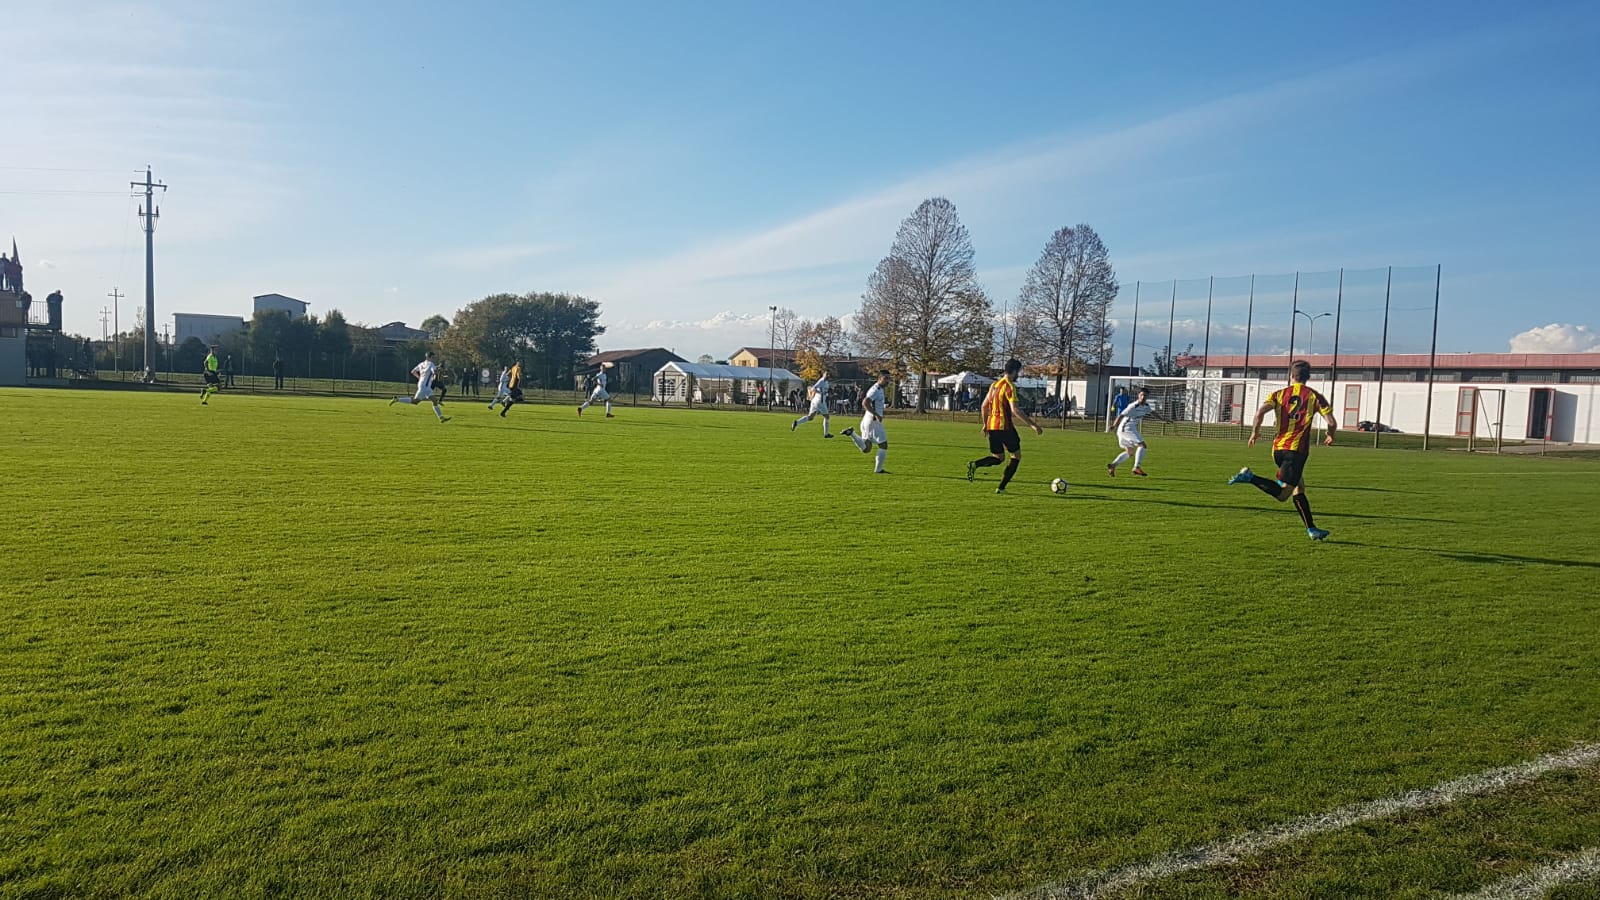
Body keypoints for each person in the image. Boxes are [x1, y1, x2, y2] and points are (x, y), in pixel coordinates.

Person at [1228, 359, 1337, 540]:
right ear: (1307, 377)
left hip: (1277, 450)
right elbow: (1332, 422)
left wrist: (1255, 433)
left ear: (1291, 376)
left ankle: (1312, 529)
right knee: (1283, 494)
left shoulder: (1278, 394)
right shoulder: (1315, 396)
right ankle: (1250, 477)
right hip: (1296, 452)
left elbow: (1259, 413)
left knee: (1299, 487)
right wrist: (1330, 434)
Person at [966, 358, 1044, 494]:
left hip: (992, 426)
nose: (1018, 375)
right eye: (1018, 372)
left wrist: (985, 424)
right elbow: (1015, 410)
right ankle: (1001, 488)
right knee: (1016, 456)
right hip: (1005, 427)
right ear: (1014, 371)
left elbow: (984, 406)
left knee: (998, 458)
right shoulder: (1009, 386)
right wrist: (1033, 425)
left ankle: (975, 464)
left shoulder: (994, 385)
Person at [841, 370, 891, 474]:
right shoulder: (875, 389)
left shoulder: (879, 389)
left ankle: (852, 434)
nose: (887, 381)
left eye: (888, 378)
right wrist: (876, 414)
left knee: (867, 448)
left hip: (867, 420)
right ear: (879, 378)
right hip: (873, 421)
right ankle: (878, 470)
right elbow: (865, 402)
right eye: (885, 378)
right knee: (883, 445)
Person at [1106, 386, 1161, 477]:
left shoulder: (1146, 406)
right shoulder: (1133, 406)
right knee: (1142, 445)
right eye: (1142, 395)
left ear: (1147, 397)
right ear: (1138, 395)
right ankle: (1136, 467)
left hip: (1128, 429)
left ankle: (1113, 465)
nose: (1143, 397)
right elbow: (1121, 415)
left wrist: (1163, 419)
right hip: (1126, 428)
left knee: (1129, 452)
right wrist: (1114, 426)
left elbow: (1153, 412)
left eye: (1145, 395)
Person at [388, 350, 450, 423]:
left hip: (422, 384)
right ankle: (397, 399)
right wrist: (436, 377)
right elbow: (435, 372)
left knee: (426, 401)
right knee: (420, 401)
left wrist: (420, 377)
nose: (433, 358)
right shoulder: (431, 364)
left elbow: (413, 371)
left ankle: (441, 418)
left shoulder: (421, 364)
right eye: (433, 357)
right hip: (425, 387)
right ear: (430, 357)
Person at [790, 369, 834, 438]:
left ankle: (796, 422)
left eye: (828, 374)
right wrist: (812, 395)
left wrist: (826, 394)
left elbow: (822, 390)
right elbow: (813, 388)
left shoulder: (826, 382)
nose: (827, 376)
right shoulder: (821, 381)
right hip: (820, 401)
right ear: (823, 374)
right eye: (826, 374)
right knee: (827, 417)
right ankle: (826, 434)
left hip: (815, 401)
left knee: (810, 417)